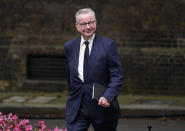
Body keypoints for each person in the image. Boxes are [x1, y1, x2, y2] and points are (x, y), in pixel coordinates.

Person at [64, 8, 123, 131]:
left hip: (102, 106)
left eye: (91, 22)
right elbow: (70, 75)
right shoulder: (69, 47)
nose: (88, 26)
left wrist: (108, 96)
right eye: (83, 24)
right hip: (77, 107)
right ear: (77, 26)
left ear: (95, 23)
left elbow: (117, 76)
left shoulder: (108, 45)